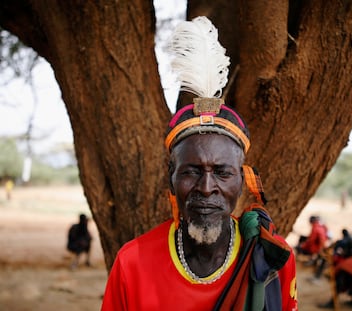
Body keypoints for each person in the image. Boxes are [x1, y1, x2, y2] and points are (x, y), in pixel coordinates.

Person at [101, 16, 297, 311]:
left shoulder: (272, 258)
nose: (206, 189)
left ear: (242, 180)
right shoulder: (132, 263)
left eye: (222, 172)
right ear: (171, 178)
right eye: (192, 171)